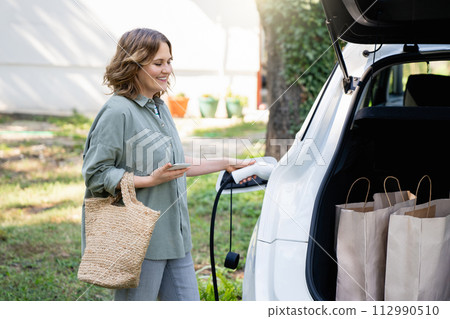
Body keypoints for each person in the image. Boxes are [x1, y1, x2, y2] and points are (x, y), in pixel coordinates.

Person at [81, 28, 254, 301]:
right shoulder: (118, 111)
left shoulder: (159, 106)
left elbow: (174, 164)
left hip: (175, 238)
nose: (167, 70)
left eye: (169, 61)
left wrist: (225, 163)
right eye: (158, 63)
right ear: (134, 65)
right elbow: (96, 174)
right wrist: (148, 181)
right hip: (140, 243)